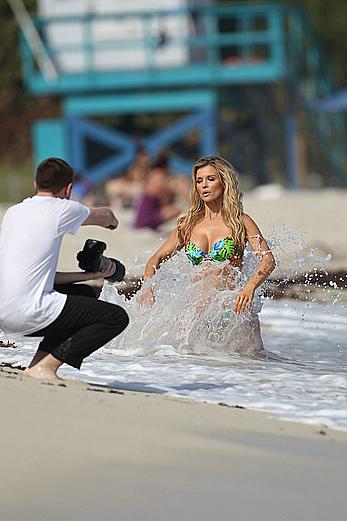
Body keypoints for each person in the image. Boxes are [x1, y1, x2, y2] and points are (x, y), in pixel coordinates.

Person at [0, 157, 129, 380]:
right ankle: (46, 367)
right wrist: (112, 223)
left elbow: (42, 279)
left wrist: (93, 275)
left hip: (4, 313)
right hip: (26, 314)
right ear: (68, 189)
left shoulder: (14, 212)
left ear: (35, 184)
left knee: (85, 294)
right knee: (115, 318)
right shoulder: (62, 209)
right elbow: (108, 217)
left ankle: (37, 364)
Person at [139, 155, 276, 352]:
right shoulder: (187, 224)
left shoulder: (240, 222)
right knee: (185, 360)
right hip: (195, 311)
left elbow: (268, 260)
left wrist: (250, 287)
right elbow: (157, 258)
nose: (204, 186)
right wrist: (148, 286)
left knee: (251, 362)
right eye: (199, 181)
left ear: (224, 182)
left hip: (232, 308)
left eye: (211, 179)